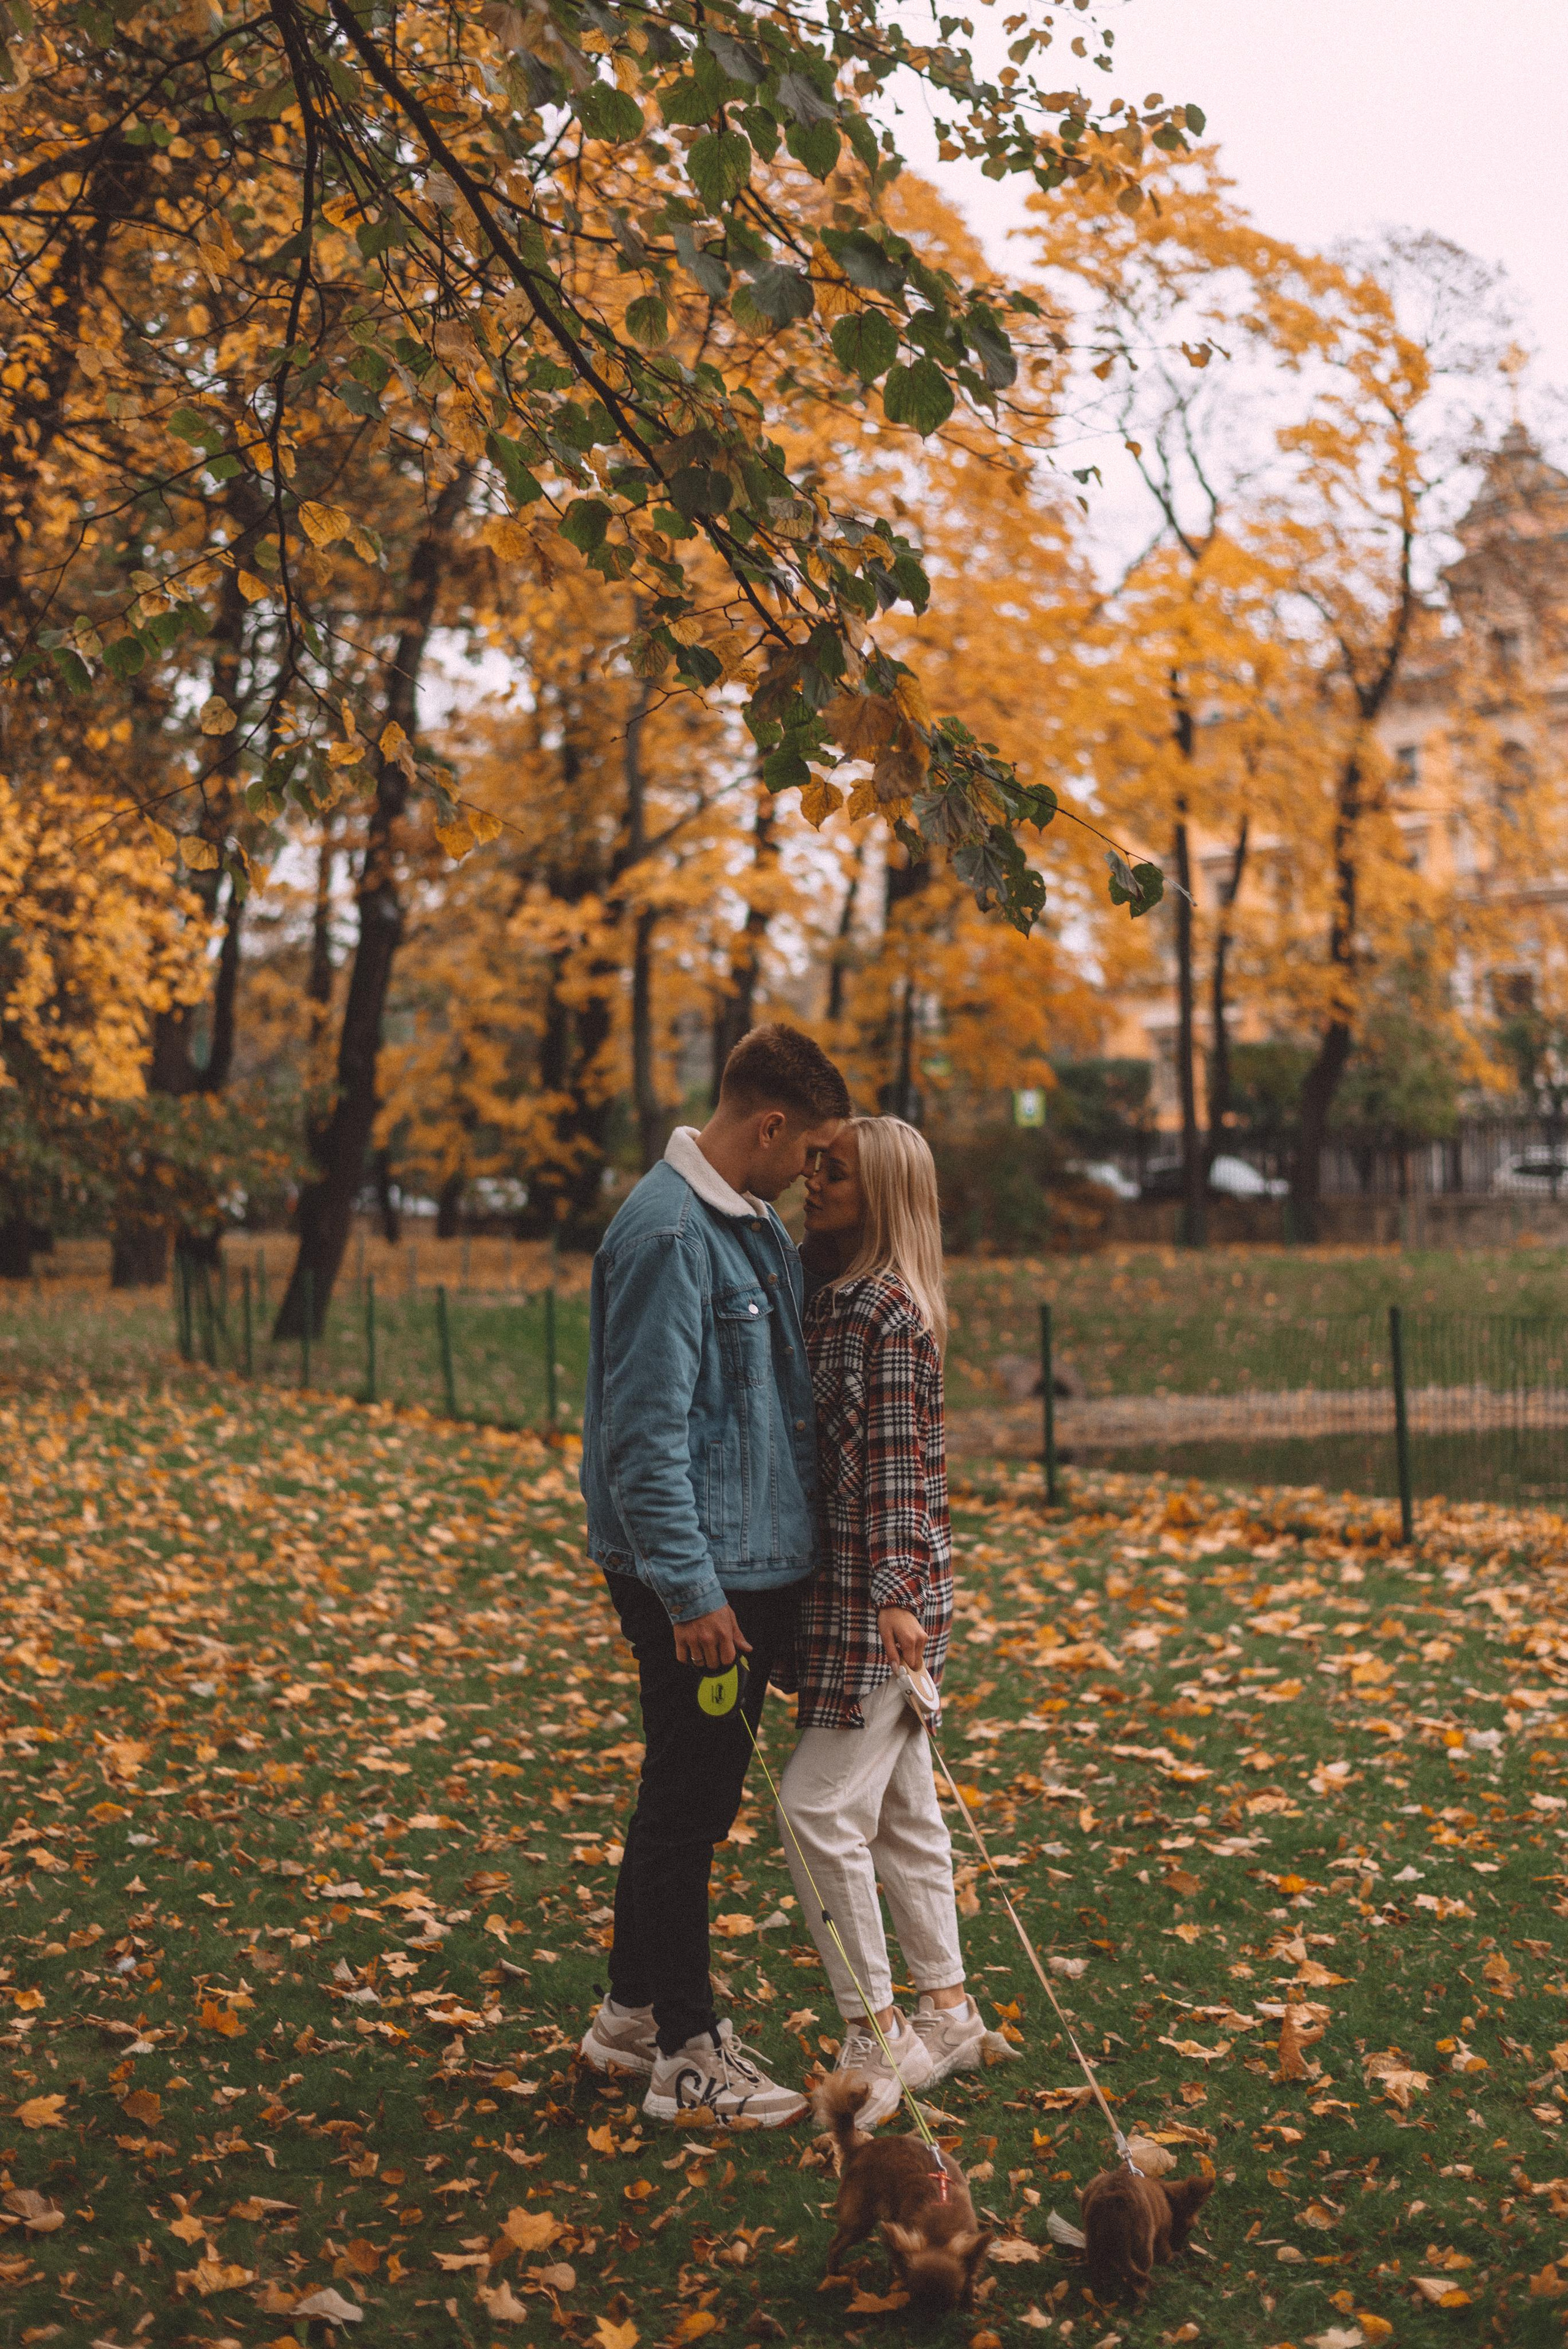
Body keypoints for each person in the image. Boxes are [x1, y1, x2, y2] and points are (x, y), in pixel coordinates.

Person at [578, 1024, 851, 2125]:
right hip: (700, 1584)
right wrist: (692, 1594)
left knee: (686, 1794)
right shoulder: (669, 1235)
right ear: (770, 1125)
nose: (815, 1173)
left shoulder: (748, 1227)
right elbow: (643, 1438)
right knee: (689, 1806)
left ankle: (630, 2014)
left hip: (741, 1572)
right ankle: (688, 2055)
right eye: (814, 1152)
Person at [778, 1116, 983, 2125]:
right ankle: (948, 2007)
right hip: (852, 1601)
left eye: (839, 1173)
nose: (815, 1181)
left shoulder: (885, 1312)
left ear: (887, 1194)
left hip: (878, 1608)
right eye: (814, 1163)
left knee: (815, 1806)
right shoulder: (831, 1297)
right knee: (904, 1811)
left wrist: (897, 1593)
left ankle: (877, 2028)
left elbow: (901, 1469)